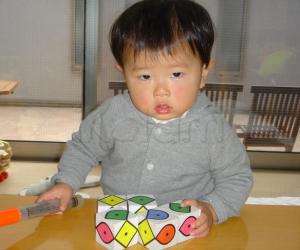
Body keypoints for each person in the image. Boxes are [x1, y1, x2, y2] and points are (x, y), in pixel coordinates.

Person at [38, 0, 253, 238]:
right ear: (123, 72)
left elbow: (237, 178)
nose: (161, 90)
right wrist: (66, 182)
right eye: (145, 76)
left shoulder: (212, 129)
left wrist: (212, 209)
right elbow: (83, 148)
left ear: (203, 72)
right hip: (121, 221)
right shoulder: (114, 114)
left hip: (184, 229)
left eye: (176, 74)